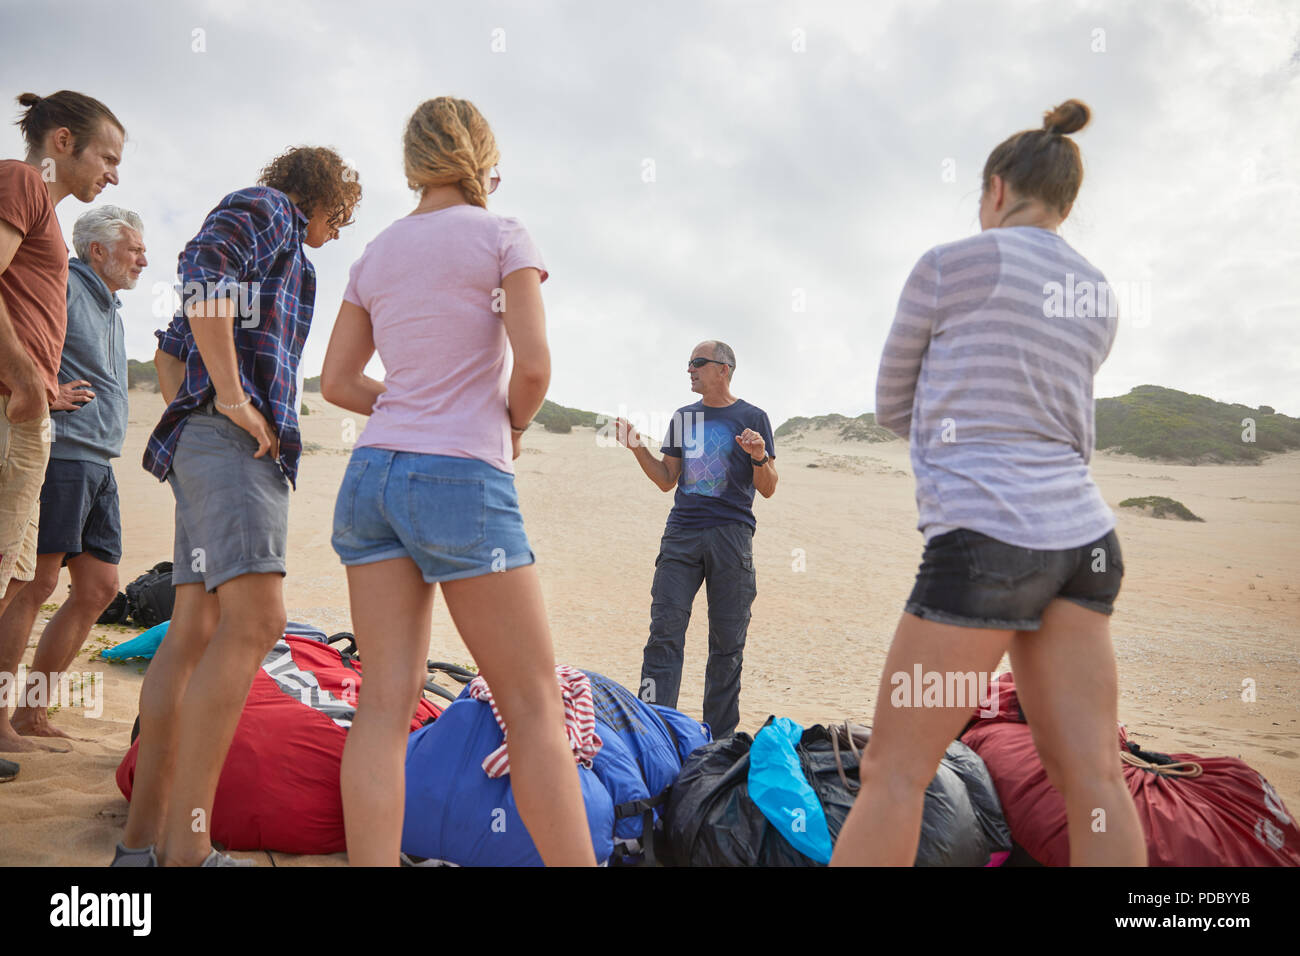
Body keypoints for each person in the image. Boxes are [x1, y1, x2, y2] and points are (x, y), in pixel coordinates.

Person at [830, 100, 1145, 866]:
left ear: (996, 190)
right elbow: (1074, 426)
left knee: (894, 773)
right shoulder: (1098, 294)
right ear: (1065, 201)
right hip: (1084, 542)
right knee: (1096, 777)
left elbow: (889, 404)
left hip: (985, 542)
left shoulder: (952, 264)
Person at [321, 96, 595, 866]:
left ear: (414, 164)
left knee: (382, 704)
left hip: (372, 476)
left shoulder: (376, 250)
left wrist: (405, 404)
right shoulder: (503, 234)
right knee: (532, 704)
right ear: (482, 158)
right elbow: (535, 366)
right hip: (461, 479)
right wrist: (509, 422)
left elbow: (338, 380)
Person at [114, 147, 360, 867]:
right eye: (340, 216)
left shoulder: (287, 247)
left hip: (208, 442)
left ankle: (141, 847)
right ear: (316, 197)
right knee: (258, 620)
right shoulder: (270, 211)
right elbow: (204, 278)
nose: (338, 231)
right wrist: (227, 400)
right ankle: (187, 852)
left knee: (196, 627)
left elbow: (166, 355)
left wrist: (197, 414)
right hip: (231, 443)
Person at [1, 90, 125, 762]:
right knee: (15, 577)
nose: (113, 172)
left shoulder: (42, 210)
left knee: (18, 578)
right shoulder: (21, 181)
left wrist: (39, 383)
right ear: (62, 142)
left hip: (35, 424)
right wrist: (27, 379)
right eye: (107, 156)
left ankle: (7, 720)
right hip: (16, 415)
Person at [0, 206, 146, 741]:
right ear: (98, 251)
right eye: (134, 249)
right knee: (33, 583)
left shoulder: (113, 307)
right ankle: (1, 720)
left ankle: (31, 711)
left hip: (99, 459)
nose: (143, 259)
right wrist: (42, 390)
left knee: (99, 588)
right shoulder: (63, 284)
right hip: (62, 451)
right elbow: (15, 331)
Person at [615, 341, 778, 738]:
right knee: (664, 633)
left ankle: (718, 743)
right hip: (682, 535)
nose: (689, 370)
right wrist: (637, 447)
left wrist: (758, 455)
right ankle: (653, 733)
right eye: (689, 363)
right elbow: (666, 480)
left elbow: (769, 487)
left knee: (726, 646)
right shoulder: (683, 417)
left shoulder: (752, 416)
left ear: (723, 369)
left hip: (731, 538)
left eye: (697, 363)